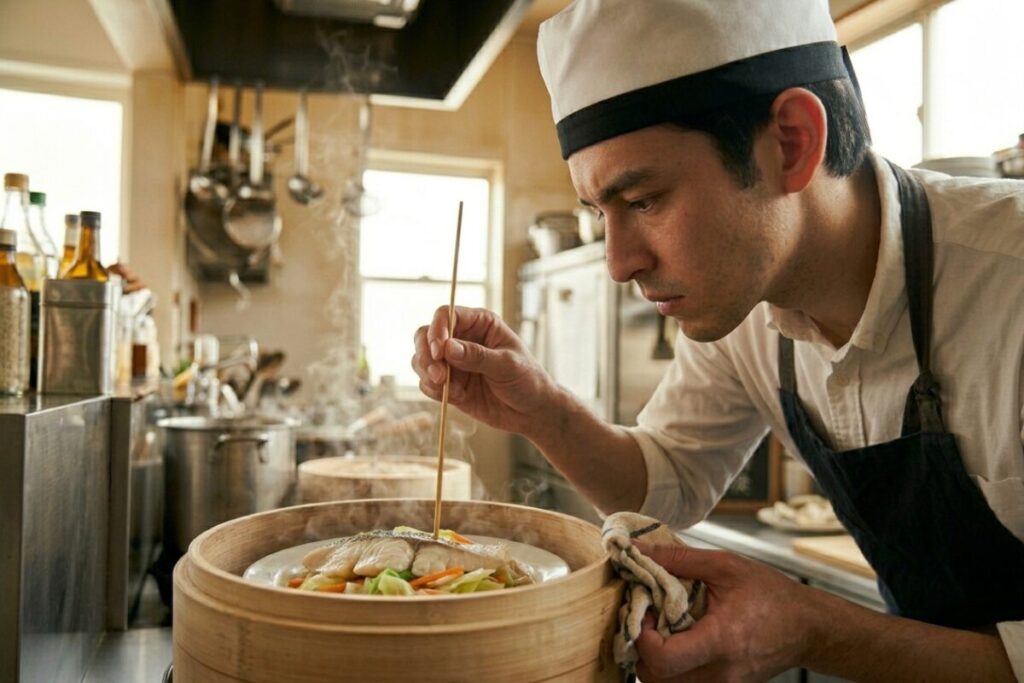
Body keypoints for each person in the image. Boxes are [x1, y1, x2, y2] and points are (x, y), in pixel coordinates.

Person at [411, 0, 1024, 680]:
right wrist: (539, 411)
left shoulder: (1011, 289)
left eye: (644, 200)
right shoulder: (746, 300)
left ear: (792, 141)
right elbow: (667, 481)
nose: (618, 264)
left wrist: (814, 628)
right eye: (598, 213)